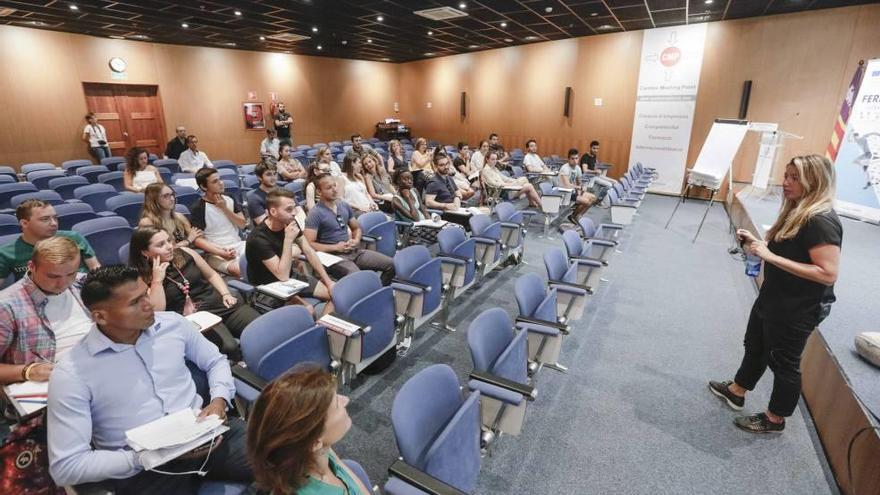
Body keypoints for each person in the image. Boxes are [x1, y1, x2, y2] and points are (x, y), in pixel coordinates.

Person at [47, 265, 252, 492]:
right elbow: (67, 466)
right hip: (146, 469)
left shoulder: (172, 324)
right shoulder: (72, 373)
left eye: (145, 294)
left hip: (206, 434)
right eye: (135, 302)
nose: (149, 304)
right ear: (100, 316)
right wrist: (146, 457)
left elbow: (215, 361)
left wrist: (219, 401)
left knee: (288, 458)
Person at [709, 155, 842, 434]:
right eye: (786, 175)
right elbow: (787, 250)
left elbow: (827, 272)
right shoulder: (796, 211)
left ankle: (774, 419)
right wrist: (759, 245)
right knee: (755, 344)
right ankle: (737, 390)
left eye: (795, 178)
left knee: (783, 362)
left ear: (814, 181)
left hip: (797, 307)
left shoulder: (820, 221)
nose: (786, 183)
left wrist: (770, 256)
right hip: (775, 296)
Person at [129, 226, 258, 360]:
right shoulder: (141, 277)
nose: (169, 247)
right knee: (229, 348)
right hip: (196, 320)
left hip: (220, 304)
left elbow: (211, 275)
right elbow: (157, 311)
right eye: (161, 245)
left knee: (259, 327)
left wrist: (226, 294)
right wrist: (157, 281)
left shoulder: (185, 252)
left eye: (168, 241)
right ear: (145, 252)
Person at [247, 366, 370, 495]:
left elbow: (343, 469)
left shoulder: (316, 452)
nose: (346, 400)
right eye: (337, 405)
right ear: (315, 443)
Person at [0, 237, 91, 385]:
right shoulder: (7, 306)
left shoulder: (83, 284)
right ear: (31, 266)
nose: (63, 283)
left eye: (70, 274)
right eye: (53, 276)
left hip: (96, 366)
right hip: (50, 383)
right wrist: (28, 371)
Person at [245, 189, 335, 316]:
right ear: (273, 212)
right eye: (288, 210)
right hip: (267, 287)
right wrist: (288, 239)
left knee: (336, 295)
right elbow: (282, 275)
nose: (294, 214)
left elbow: (309, 251)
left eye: (294, 208)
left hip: (290, 278)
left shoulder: (290, 222)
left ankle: (321, 328)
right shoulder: (258, 238)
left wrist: (328, 281)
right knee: (308, 311)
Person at [304, 174, 395, 285]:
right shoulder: (315, 213)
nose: (334, 190)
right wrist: (335, 247)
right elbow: (309, 244)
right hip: (333, 257)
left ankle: (377, 291)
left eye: (335, 186)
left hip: (352, 251)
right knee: (360, 279)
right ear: (319, 191)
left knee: (391, 264)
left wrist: (356, 240)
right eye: (329, 188)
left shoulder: (343, 205)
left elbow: (356, 228)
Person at [0, 200, 100, 281]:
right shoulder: (7, 253)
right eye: (45, 219)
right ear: (25, 223)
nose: (53, 223)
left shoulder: (74, 237)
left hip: (83, 289)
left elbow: (95, 266)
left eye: (55, 218)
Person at [190, 168, 246, 277]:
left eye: (220, 179)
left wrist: (224, 208)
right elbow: (197, 240)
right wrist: (221, 252)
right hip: (216, 252)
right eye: (215, 181)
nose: (221, 183)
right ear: (203, 187)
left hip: (239, 245)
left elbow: (242, 224)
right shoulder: (198, 208)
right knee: (240, 269)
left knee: (267, 259)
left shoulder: (230, 198)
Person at [139, 183, 203, 249]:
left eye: (172, 194)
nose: (172, 199)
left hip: (185, 255)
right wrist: (188, 241)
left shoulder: (179, 216)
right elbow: (162, 249)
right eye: (166, 196)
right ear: (154, 199)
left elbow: (196, 238)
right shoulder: (147, 222)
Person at [559, 149, 597, 224]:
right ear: (568, 159)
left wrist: (581, 189)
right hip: (565, 193)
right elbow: (567, 185)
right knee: (587, 202)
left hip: (573, 192)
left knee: (593, 198)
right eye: (572, 158)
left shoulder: (577, 168)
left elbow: (579, 182)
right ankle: (574, 216)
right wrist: (579, 188)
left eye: (576, 158)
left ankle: (576, 216)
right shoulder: (565, 168)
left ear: (578, 158)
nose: (575, 160)